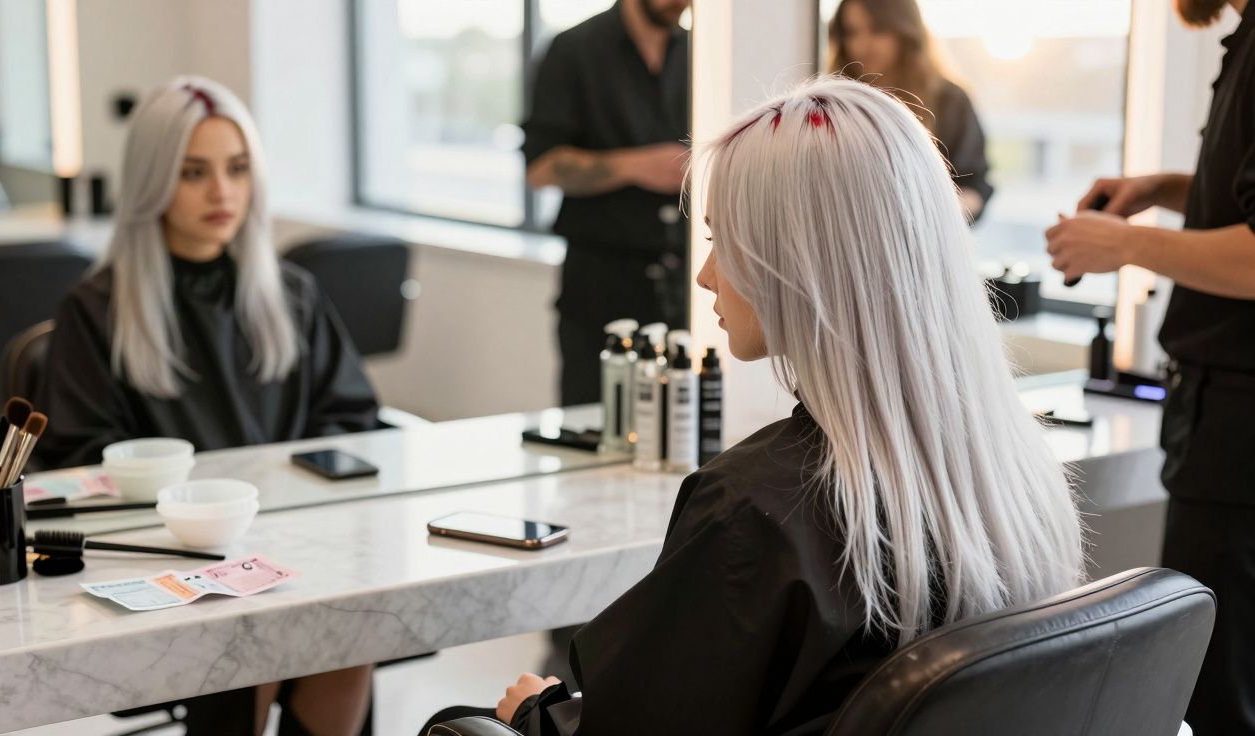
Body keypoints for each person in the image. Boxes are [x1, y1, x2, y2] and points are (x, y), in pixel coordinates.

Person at [421, 76, 1084, 736]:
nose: (706, 275)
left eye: (719, 241)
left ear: (792, 261)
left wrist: (538, 713)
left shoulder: (756, 514)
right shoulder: (1012, 466)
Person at [36, 77, 378, 736]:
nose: (222, 192)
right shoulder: (97, 310)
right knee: (260, 636)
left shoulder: (292, 295)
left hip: (294, 545)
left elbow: (354, 422)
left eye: (237, 169)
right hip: (168, 558)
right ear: (153, 180)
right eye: (194, 173)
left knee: (348, 627)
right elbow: (78, 462)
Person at [1045, 0, 1254, 731]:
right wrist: (1167, 191)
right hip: (1222, 417)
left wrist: (1125, 246)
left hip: (1239, 429)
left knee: (1219, 694)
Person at [522, 0, 691, 406]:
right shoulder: (573, 50)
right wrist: (636, 165)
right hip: (600, 287)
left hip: (684, 285)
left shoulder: (699, 54)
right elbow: (540, 169)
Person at [827, 0, 992, 219]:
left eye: (878, 29)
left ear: (905, 29)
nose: (863, 43)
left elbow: (974, 186)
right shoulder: (834, 101)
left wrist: (931, 217)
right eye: (851, 32)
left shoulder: (950, 100)